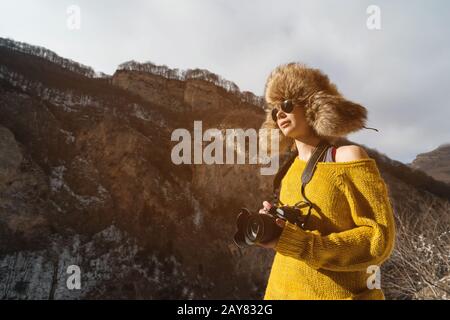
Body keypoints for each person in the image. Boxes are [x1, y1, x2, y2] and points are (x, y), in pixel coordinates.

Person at [258, 62, 396, 300]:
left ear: (313, 107)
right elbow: (292, 243)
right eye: (274, 110)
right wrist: (276, 229)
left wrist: (302, 243)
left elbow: (378, 239)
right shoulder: (287, 171)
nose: (279, 113)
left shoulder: (347, 158)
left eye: (287, 104)